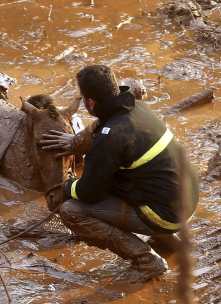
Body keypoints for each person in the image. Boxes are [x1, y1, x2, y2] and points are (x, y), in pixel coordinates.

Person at [40, 65, 199, 284]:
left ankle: (146, 260)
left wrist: (65, 186)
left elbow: (89, 192)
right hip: (185, 201)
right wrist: (76, 142)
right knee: (135, 179)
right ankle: (168, 241)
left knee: (72, 210)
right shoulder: (137, 108)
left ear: (90, 102)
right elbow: (99, 127)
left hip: (164, 214)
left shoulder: (110, 137)